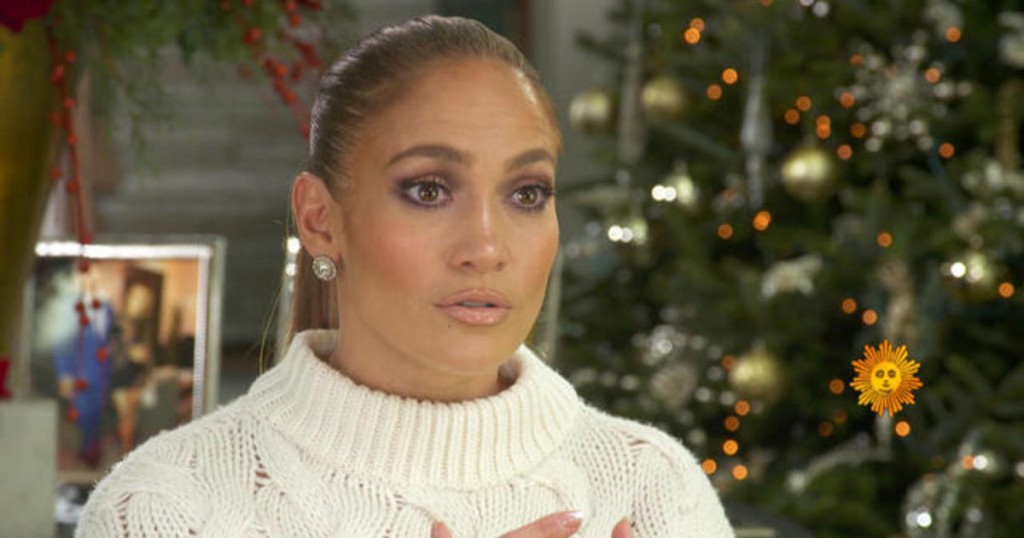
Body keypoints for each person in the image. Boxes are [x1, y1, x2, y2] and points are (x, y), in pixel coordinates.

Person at [76, 15, 734, 537]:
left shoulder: (656, 492)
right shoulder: (164, 510)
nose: (486, 247)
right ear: (320, 219)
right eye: (428, 190)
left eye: (527, 193)